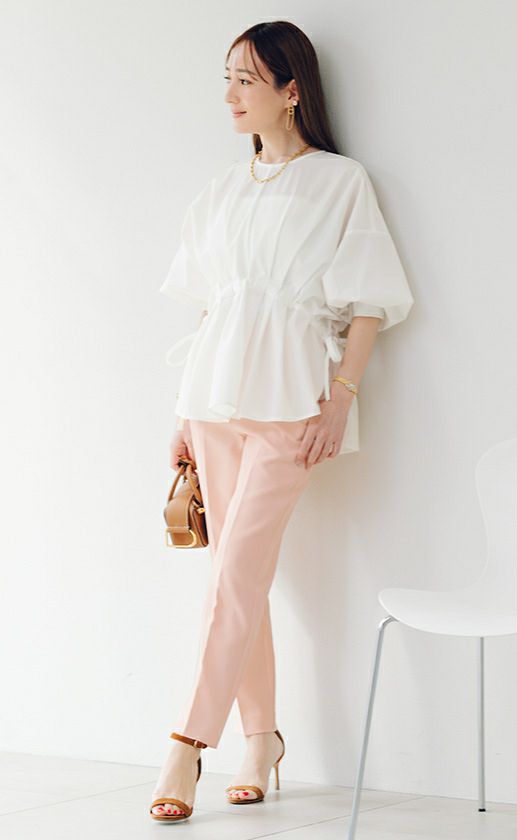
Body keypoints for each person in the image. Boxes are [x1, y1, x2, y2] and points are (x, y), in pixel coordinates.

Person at [149, 20, 414, 822]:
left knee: (236, 574)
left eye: (247, 81)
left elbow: (368, 303)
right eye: (227, 79)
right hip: (214, 400)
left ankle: (186, 745)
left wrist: (342, 396)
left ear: (291, 90)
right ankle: (260, 740)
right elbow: (210, 311)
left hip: (292, 403)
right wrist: (184, 414)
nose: (230, 96)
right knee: (238, 577)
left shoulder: (340, 182)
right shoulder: (221, 192)